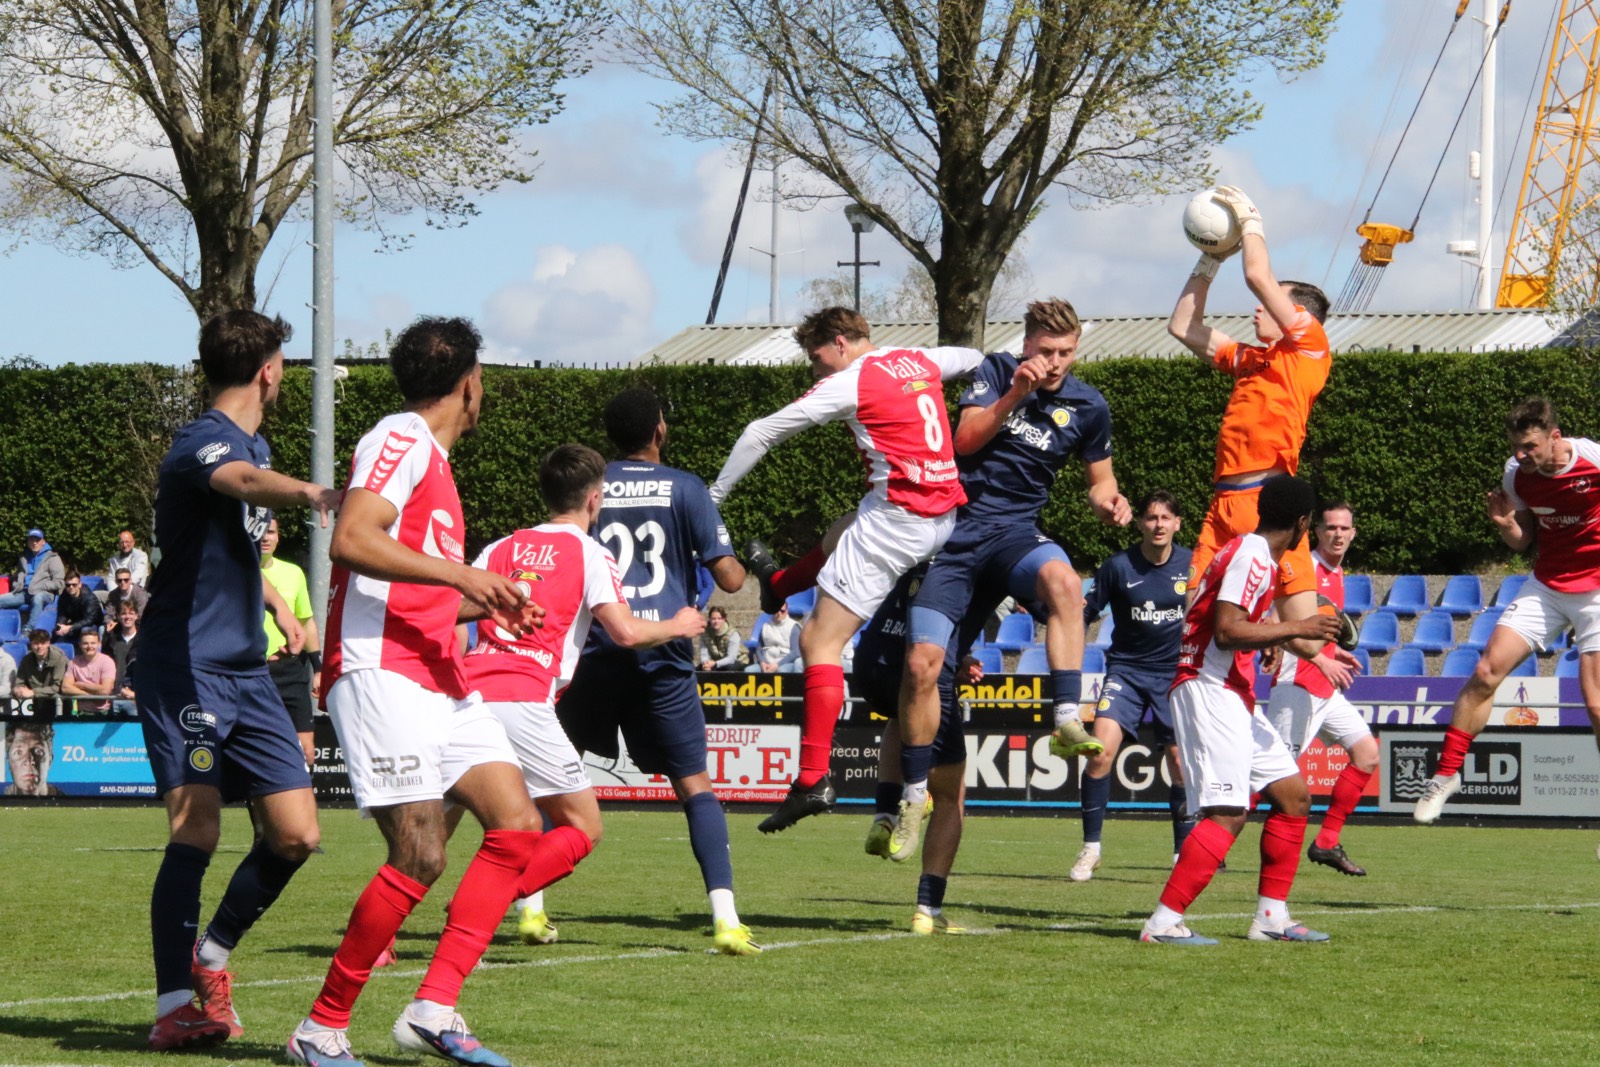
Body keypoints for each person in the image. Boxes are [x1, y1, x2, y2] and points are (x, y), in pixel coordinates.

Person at [291, 317, 582, 1067]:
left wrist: (489, 600)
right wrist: (463, 574)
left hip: (435, 667)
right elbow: (353, 537)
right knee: (420, 852)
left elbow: (412, 590)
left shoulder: (438, 468)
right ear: (467, 383)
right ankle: (320, 1028)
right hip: (380, 668)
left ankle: (434, 1008)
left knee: (516, 825)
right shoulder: (402, 436)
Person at [132, 309, 340, 1052]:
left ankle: (210, 957)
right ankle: (171, 1005)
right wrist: (312, 493)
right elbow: (243, 480)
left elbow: (233, 547)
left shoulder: (256, 441)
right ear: (271, 369)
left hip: (248, 673)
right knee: (199, 824)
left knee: (296, 832)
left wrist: (280, 604)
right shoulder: (204, 441)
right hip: (185, 670)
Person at [710, 306, 984, 832]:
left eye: (816, 358)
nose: (816, 370)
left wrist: (714, 495)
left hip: (898, 521)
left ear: (839, 343)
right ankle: (781, 584)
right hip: (942, 514)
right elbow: (974, 358)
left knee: (818, 642)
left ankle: (811, 780)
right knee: (840, 531)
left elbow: (760, 432)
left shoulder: (852, 382)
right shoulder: (914, 359)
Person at [891, 298, 1132, 861]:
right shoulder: (996, 371)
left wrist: (1109, 503)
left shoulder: (1089, 405)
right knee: (921, 666)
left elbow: (1101, 481)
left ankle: (1067, 716)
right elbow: (964, 440)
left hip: (1014, 535)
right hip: (954, 536)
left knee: (1066, 583)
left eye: (1066, 353)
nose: (1054, 363)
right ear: (1025, 345)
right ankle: (909, 795)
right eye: (1045, 351)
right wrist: (1015, 394)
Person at [465, 444, 708, 949]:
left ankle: (384, 940)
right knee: (582, 825)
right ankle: (483, 903)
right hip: (524, 697)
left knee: (441, 826)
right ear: (594, 501)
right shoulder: (590, 553)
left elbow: (454, 609)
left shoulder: (501, 547)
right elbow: (623, 632)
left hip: (468, 693)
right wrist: (678, 624)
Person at [558, 387, 761, 955]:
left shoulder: (588, 487)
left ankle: (530, 909)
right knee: (694, 784)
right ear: (660, 430)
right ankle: (724, 918)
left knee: (553, 775)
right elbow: (729, 579)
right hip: (663, 654)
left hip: (596, 648)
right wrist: (745, 560)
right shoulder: (685, 487)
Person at [1140, 475, 1346, 946]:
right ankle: (1163, 922)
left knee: (1293, 797)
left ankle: (1271, 917)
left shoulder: (1254, 554)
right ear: (1302, 523)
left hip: (1229, 688)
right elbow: (1228, 631)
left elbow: (1238, 625)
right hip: (1207, 687)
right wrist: (1298, 626)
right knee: (1228, 813)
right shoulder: (1254, 556)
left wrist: (1282, 640)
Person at [1416, 398, 1600, 823]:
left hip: (1595, 592)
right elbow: (1523, 541)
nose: (1521, 455)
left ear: (1555, 437)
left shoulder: (1592, 458)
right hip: (1547, 586)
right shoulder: (1516, 473)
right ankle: (1446, 775)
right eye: (1516, 446)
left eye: (1530, 446)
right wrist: (1507, 526)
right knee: (1486, 671)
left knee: (1595, 705)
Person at [1167, 185, 1331, 608]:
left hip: (1268, 505)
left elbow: (1257, 277)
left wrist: (1250, 220)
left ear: (1298, 316)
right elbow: (1183, 326)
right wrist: (1209, 260)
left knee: (1305, 638)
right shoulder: (1250, 359)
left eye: (1274, 302)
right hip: (1223, 503)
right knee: (1193, 622)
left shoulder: (1310, 347)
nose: (1259, 307)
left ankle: (1323, 634)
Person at [857, 562, 1006, 933]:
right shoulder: (976, 563)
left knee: (899, 715)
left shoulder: (918, 552)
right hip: (926, 677)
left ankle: (884, 815)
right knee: (951, 797)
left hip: (872, 663)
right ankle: (928, 909)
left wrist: (958, 659)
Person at [1071, 490, 1193, 882]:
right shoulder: (1118, 566)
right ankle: (1091, 849)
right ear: (1139, 522)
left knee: (1179, 763)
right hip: (1126, 672)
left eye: (1166, 518)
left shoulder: (1193, 565)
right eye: (1151, 517)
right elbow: (1083, 615)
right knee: (1100, 753)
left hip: (1174, 676)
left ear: (1177, 523)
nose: (1158, 524)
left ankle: (1182, 853)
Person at [1266, 501, 1377, 875]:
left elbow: (1318, 630)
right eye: (1330, 527)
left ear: (1354, 533)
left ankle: (1327, 842)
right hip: (1295, 687)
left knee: (1367, 755)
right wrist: (1321, 659)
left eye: (1345, 528)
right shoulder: (1305, 568)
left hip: (1325, 690)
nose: (1338, 534)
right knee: (1272, 779)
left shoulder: (1337, 573)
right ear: (1317, 532)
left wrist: (1333, 655)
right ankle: (1209, 833)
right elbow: (1274, 622)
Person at [260, 518, 319, 766]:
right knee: (261, 750)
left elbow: (306, 621)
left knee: (305, 752)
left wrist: (318, 667)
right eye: (260, 532)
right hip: (254, 673)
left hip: (291, 672)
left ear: (278, 536)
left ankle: (302, 801)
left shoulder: (293, 572)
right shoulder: (234, 573)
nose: (265, 537)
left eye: (271, 532)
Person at [0, 529, 64, 618]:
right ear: (28, 542)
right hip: (23, 593)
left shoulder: (53, 558)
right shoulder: (24, 558)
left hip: (43, 593)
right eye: (31, 540)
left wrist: (42, 586)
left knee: (38, 599)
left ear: (43, 542)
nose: (34, 543)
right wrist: (17, 584)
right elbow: (19, 574)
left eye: (37, 540)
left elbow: (59, 582)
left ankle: (29, 629)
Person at [12, 629, 67, 720]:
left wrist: (33, 692)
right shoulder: (26, 660)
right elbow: (19, 681)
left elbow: (57, 686)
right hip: (36, 705)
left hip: (58, 704)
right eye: (36, 643)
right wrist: (19, 689)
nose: (39, 646)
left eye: (42, 643)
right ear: (31, 644)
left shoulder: (59, 659)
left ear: (48, 643)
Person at [61, 628, 116, 714]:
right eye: (85, 643)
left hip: (102, 712)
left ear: (99, 644)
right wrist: (89, 696)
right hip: (79, 712)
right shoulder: (74, 662)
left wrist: (81, 685)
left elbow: (106, 690)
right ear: (80, 644)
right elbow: (65, 688)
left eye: (93, 643)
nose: (89, 646)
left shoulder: (107, 661)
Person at [5, 721, 63, 796]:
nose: (29, 761)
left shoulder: (69, 804)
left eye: (38, 751)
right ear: (9, 762)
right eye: (19, 752)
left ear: (50, 761)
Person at [746, 601, 800, 673]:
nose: (779, 613)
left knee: (782, 671)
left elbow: (796, 652)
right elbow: (759, 648)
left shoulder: (793, 627)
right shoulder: (765, 626)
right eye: (776, 610)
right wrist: (762, 662)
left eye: (782, 611)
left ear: (787, 611)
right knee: (749, 671)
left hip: (785, 662)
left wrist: (778, 665)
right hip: (767, 662)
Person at [52, 570, 104, 643]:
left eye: (74, 585)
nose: (71, 587)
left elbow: (89, 620)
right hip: (76, 622)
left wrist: (71, 627)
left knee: (85, 631)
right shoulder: (64, 596)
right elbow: (62, 614)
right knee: (57, 631)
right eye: (68, 585)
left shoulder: (89, 598)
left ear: (80, 585)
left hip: (93, 624)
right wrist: (61, 625)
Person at [107, 601, 140, 716]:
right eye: (124, 613)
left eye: (131, 613)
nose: (127, 617)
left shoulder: (145, 640)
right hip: (114, 694)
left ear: (136, 615)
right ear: (118, 616)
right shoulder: (111, 639)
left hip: (135, 696)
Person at [698, 606, 743, 671]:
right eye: (713, 619)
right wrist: (705, 664)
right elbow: (704, 654)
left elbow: (732, 658)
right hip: (715, 661)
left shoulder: (733, 633)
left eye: (719, 618)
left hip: (737, 661)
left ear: (724, 619)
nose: (716, 621)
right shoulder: (705, 633)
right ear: (709, 619)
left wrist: (715, 663)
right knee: (699, 669)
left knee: (728, 668)